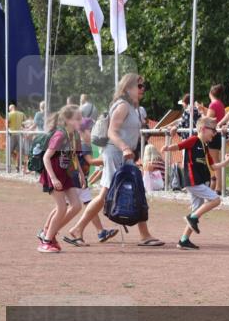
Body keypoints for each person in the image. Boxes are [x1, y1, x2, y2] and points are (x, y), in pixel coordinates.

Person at [66, 74, 164, 246]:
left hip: (124, 154)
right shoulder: (122, 106)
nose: (143, 89)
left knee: (135, 190)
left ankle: (144, 234)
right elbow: (112, 132)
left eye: (144, 86)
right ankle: (77, 229)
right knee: (107, 194)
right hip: (116, 153)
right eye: (139, 86)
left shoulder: (133, 107)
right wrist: (125, 148)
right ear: (128, 88)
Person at [162, 117, 229, 250]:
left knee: (196, 209)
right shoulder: (194, 140)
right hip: (193, 181)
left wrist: (226, 163)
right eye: (213, 130)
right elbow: (180, 146)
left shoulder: (205, 147)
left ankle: (184, 240)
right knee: (216, 200)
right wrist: (168, 147)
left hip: (198, 181)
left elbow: (213, 166)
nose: (215, 133)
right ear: (203, 129)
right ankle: (192, 217)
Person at [58, 118, 119, 246]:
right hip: (74, 180)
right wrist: (109, 159)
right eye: (91, 130)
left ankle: (100, 231)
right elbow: (90, 161)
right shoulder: (84, 144)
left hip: (80, 180)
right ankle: (51, 230)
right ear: (83, 131)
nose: (93, 133)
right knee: (66, 207)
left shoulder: (85, 144)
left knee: (90, 206)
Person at [36, 105, 84, 253]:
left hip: (65, 175)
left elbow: (74, 156)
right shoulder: (60, 135)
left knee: (76, 205)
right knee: (62, 207)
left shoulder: (74, 135)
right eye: (77, 118)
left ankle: (48, 232)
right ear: (68, 120)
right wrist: (53, 178)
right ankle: (46, 240)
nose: (80, 121)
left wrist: (81, 173)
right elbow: (46, 157)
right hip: (53, 174)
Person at [7, 103, 26, 167]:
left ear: (10, 109)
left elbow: (6, 124)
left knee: (9, 150)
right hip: (20, 134)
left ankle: (17, 162)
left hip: (12, 134)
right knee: (18, 151)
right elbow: (24, 124)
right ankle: (18, 165)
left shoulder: (9, 114)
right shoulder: (21, 114)